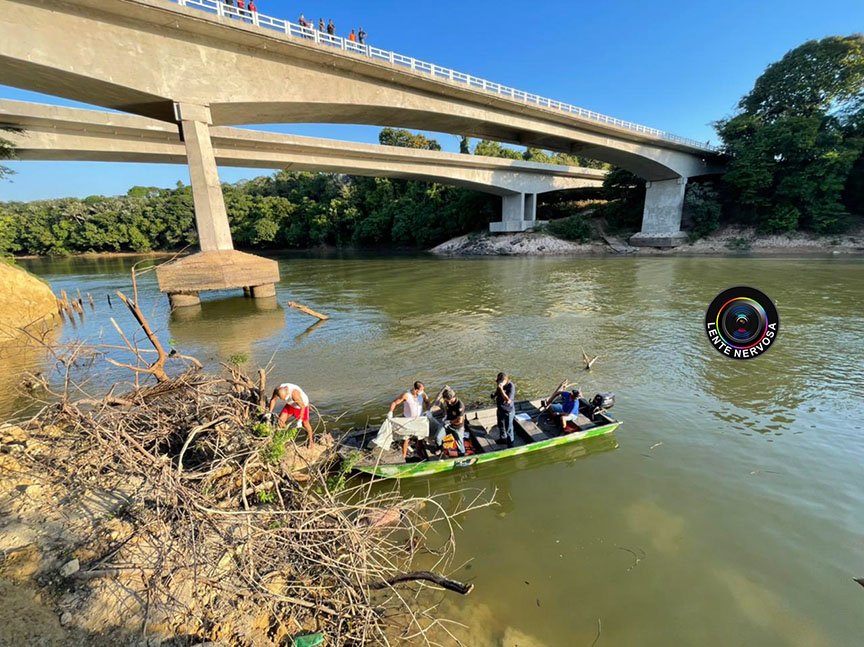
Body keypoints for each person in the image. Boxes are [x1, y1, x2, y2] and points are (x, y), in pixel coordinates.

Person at [383, 381, 431, 458]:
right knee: (406, 439)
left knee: (420, 437)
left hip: (419, 419)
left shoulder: (422, 394)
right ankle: (404, 456)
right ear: (416, 390)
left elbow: (427, 402)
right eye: (421, 390)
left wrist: (428, 411)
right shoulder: (406, 395)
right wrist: (390, 412)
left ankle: (418, 452)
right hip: (407, 420)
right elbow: (394, 402)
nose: (422, 391)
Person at [267, 382, 315, 448]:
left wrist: (299, 421)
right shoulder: (277, 390)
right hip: (290, 404)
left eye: (285, 397)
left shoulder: (294, 393)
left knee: (305, 424)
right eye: (282, 399)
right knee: (280, 421)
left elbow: (302, 407)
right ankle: (284, 439)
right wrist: (269, 412)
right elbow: (273, 400)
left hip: (301, 405)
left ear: (287, 390)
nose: (284, 399)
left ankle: (311, 441)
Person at [434, 387, 466, 457]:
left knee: (460, 444)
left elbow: (459, 420)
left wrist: (450, 422)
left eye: (447, 400)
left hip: (457, 427)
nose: (447, 402)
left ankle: (462, 455)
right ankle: (440, 449)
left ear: (452, 398)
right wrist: (445, 415)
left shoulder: (460, 406)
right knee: (437, 438)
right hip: (447, 424)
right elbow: (445, 408)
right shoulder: (447, 401)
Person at [493, 372, 516, 447]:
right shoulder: (499, 385)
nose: (498, 383)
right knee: (500, 425)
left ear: (505, 380)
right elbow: (497, 391)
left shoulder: (511, 386)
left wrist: (501, 389)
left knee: (509, 429)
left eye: (500, 381)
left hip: (508, 411)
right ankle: (503, 439)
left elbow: (508, 400)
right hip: (500, 409)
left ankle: (510, 444)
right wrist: (494, 395)